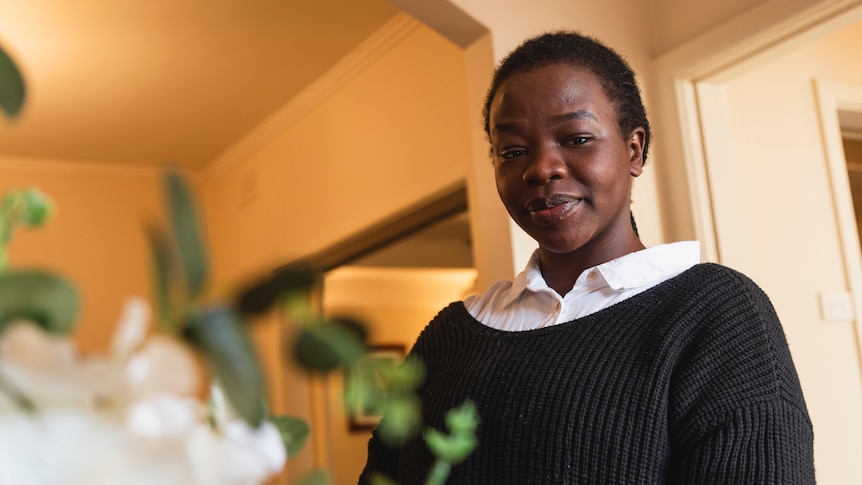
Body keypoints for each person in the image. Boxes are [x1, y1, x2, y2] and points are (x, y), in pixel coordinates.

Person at [360, 30, 815, 484]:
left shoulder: (715, 314)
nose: (541, 168)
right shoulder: (450, 336)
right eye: (513, 151)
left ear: (633, 150)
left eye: (576, 139)